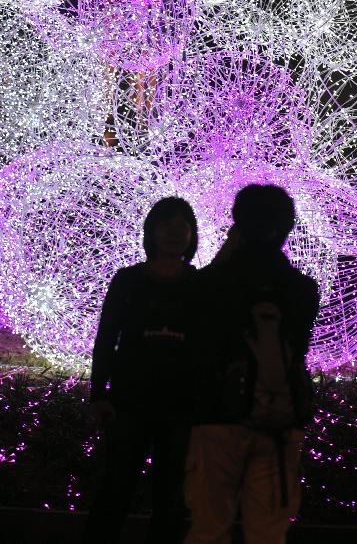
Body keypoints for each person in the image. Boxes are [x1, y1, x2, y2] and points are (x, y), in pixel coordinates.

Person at [185, 184, 320, 544]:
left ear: (238, 224)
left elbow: (195, 318)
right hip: (280, 420)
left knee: (209, 528)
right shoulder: (303, 289)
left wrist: (228, 251)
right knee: (269, 532)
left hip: (217, 416)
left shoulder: (214, 283)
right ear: (288, 227)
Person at [82, 196, 199, 544]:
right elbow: (106, 339)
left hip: (179, 406)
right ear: (151, 231)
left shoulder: (200, 285)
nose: (175, 232)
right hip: (129, 401)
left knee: (170, 498)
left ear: (193, 234)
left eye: (183, 225)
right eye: (167, 224)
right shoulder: (128, 280)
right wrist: (98, 394)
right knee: (114, 489)